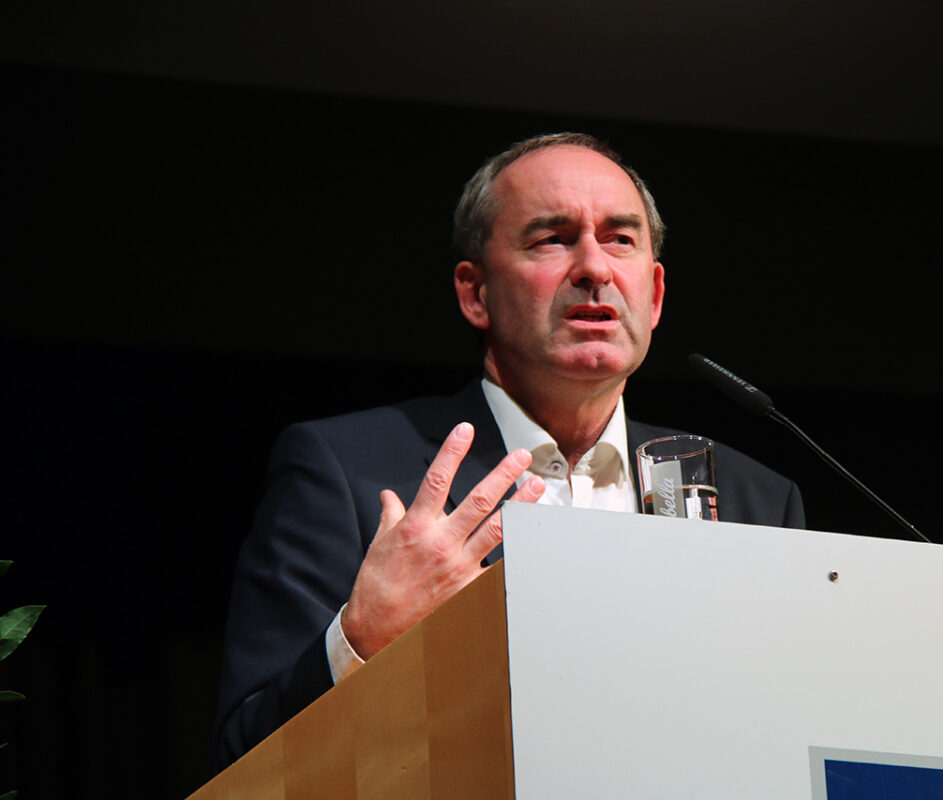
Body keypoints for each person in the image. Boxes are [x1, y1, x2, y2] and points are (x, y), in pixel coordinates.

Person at [212, 133, 806, 768]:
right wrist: (362, 641)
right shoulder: (346, 469)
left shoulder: (755, 501)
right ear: (476, 294)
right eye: (552, 239)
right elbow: (244, 757)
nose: (595, 268)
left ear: (654, 295)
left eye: (619, 239)